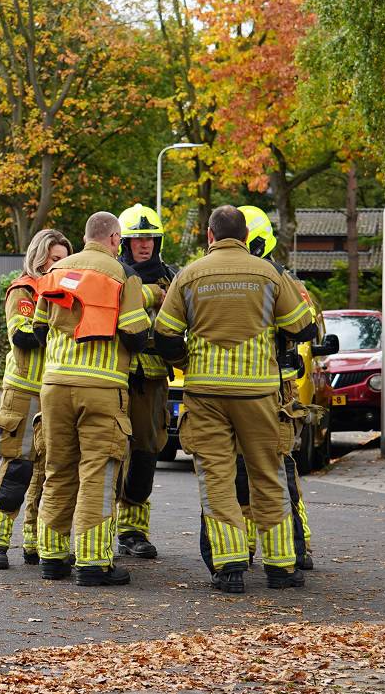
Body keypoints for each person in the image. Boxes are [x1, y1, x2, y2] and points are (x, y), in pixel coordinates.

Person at [154, 204, 317, 593]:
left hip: (206, 394)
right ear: (245, 237)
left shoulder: (189, 275)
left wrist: (187, 361)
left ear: (209, 235)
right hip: (258, 394)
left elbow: (165, 334)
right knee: (268, 474)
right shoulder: (270, 274)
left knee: (217, 479)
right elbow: (303, 326)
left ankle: (229, 568)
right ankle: (281, 567)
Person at [34, 212, 152, 586]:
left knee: (58, 470)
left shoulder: (55, 271)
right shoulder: (123, 275)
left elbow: (38, 328)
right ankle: (93, 562)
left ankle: (52, 557)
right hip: (101, 388)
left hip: (54, 386)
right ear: (115, 239)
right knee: (98, 474)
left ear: (85, 237)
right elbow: (135, 335)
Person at [234, 204, 321, 571]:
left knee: (279, 467)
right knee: (241, 470)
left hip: (276, 388)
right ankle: (246, 545)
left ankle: (297, 547)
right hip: (244, 386)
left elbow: (306, 326)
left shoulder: (284, 280)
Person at [0, 228, 72, 567]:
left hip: (53, 392)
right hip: (23, 392)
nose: (59, 265)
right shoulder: (24, 289)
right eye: (55, 258)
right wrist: (60, 324)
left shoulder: (64, 293)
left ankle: (34, 543)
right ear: (39, 257)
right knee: (15, 470)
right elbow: (21, 335)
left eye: (64, 260)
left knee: (47, 473)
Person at [116, 203, 176, 560]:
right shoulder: (114, 276)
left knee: (145, 455)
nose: (144, 244)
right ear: (124, 242)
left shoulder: (171, 279)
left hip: (152, 382)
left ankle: (133, 531)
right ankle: (99, 529)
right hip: (115, 376)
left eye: (150, 238)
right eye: (137, 238)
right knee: (109, 452)